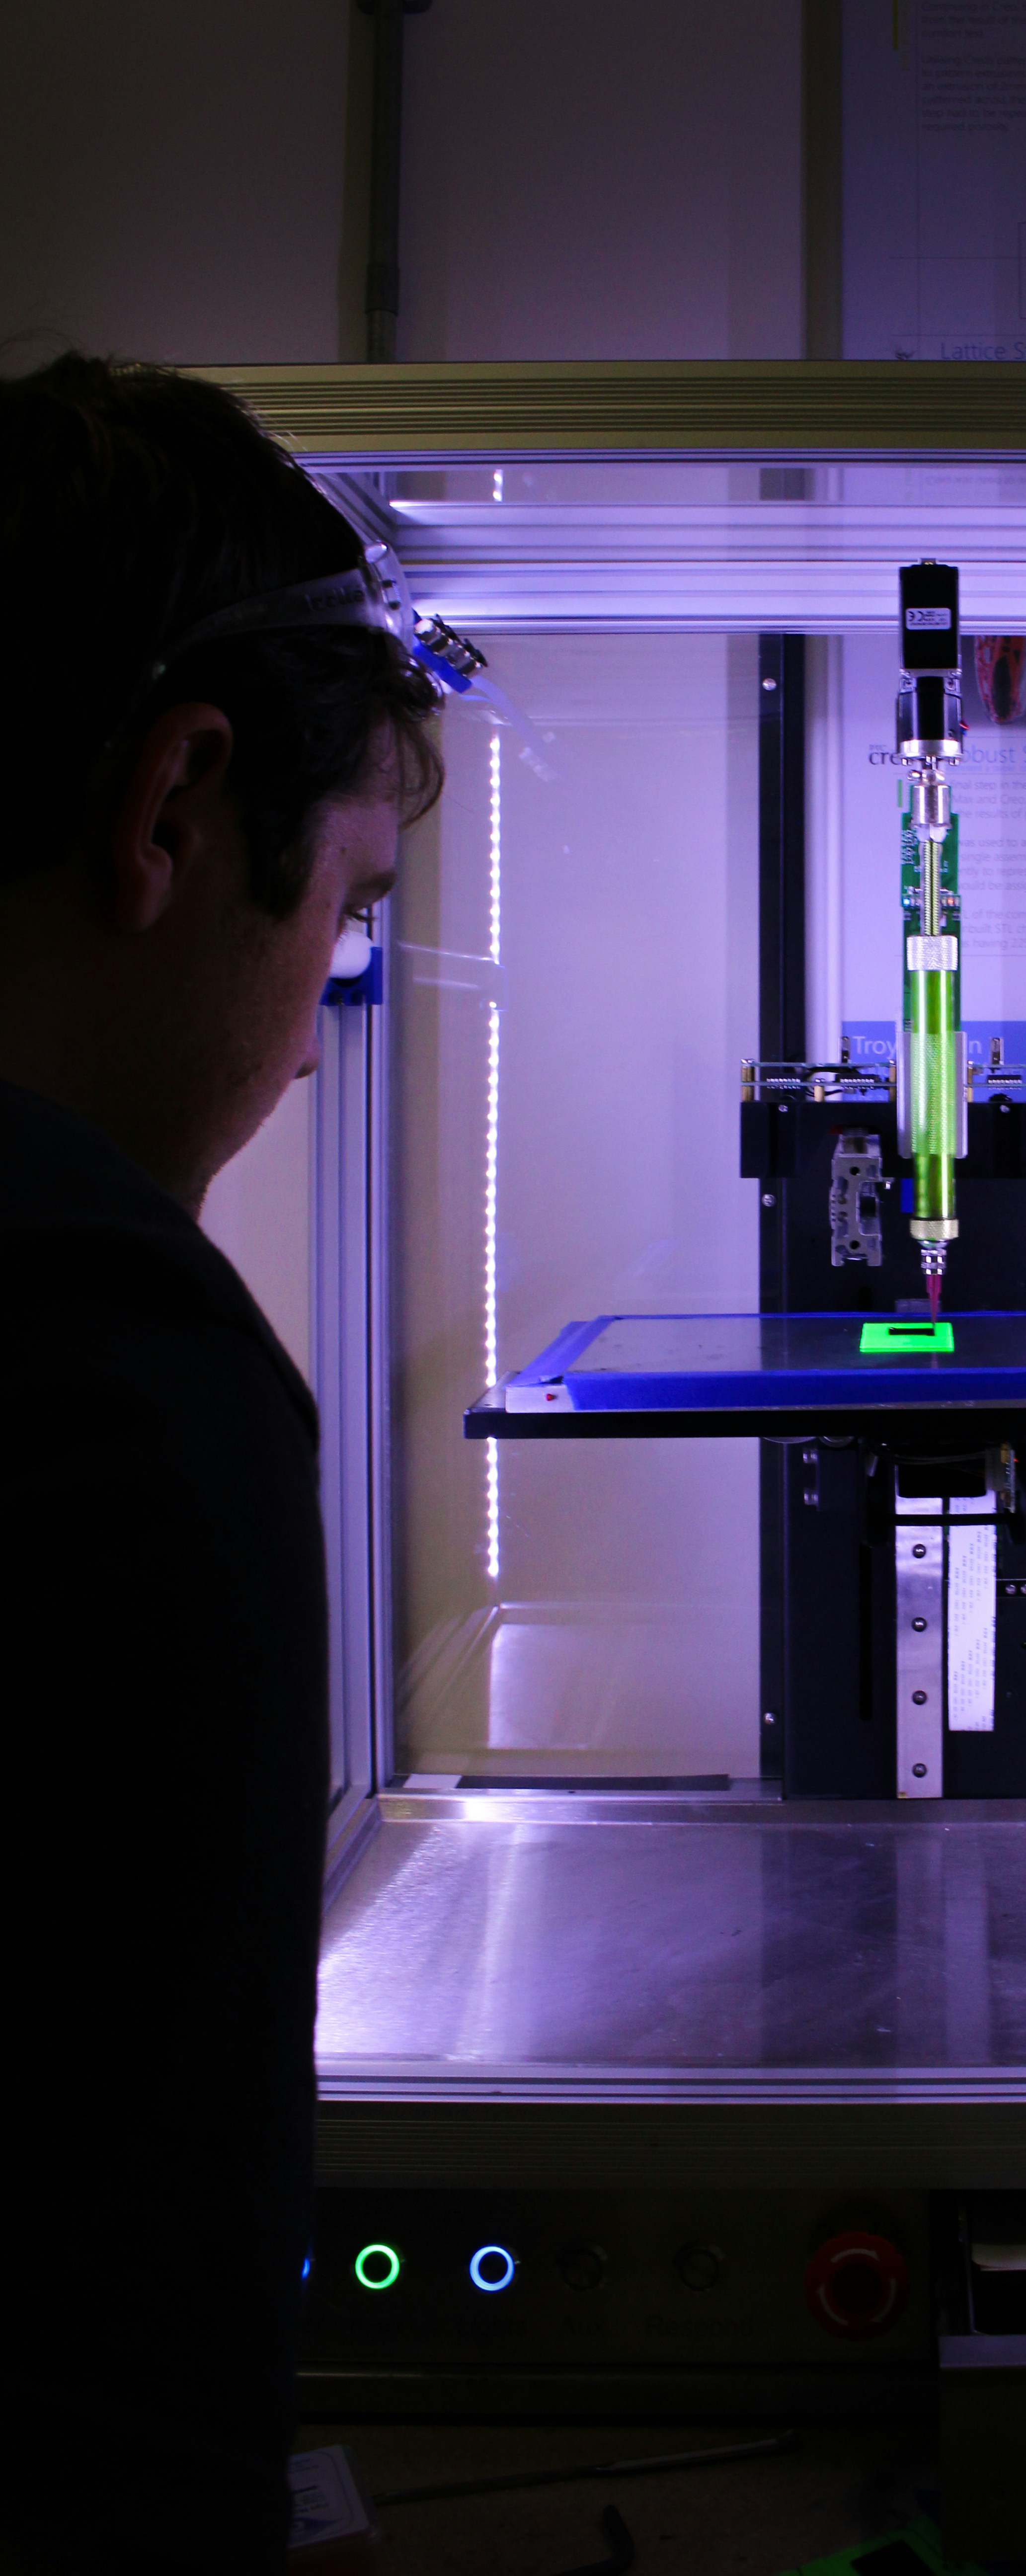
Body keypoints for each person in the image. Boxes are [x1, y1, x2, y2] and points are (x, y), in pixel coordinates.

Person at [0, 355, 442, 2573]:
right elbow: (126, 2353)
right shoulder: (116, 1373)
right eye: (346, 914)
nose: (316, 1038)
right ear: (175, 806)